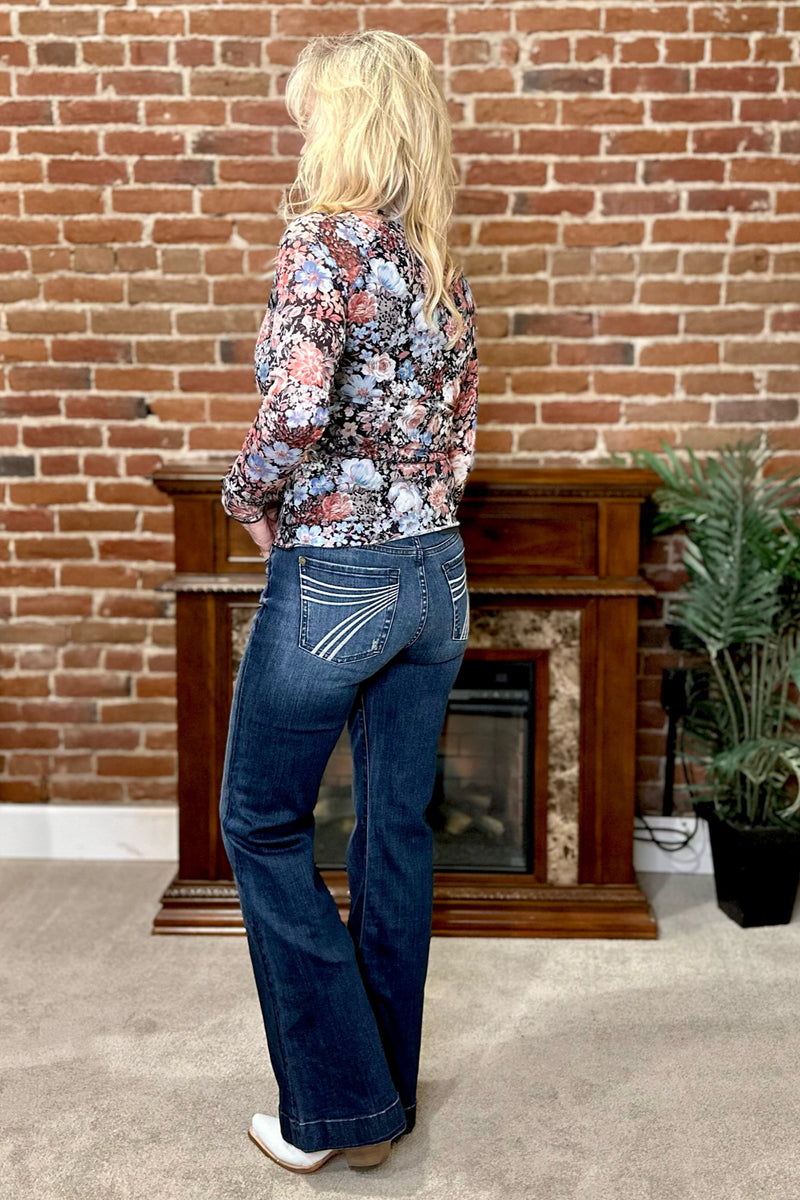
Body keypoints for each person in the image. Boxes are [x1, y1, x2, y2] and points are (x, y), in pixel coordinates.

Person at [218, 29, 479, 1175]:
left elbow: (291, 416)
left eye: (314, 112)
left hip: (338, 577)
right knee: (393, 836)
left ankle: (336, 1107)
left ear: (350, 124)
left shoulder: (321, 243)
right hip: (437, 579)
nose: (303, 132)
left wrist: (245, 499)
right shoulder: (438, 266)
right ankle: (380, 1108)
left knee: (261, 823)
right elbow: (460, 439)